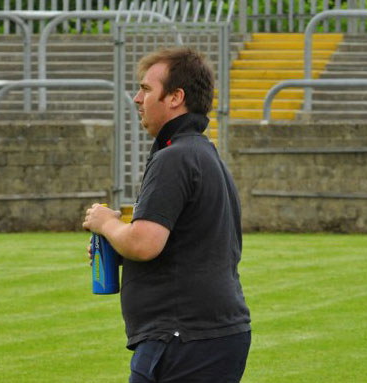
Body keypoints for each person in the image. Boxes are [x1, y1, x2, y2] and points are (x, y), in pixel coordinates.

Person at [83, 47, 251, 383]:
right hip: (210, 334)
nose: (136, 99)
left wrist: (107, 223)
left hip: (181, 337)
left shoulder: (174, 158)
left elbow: (145, 244)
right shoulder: (203, 153)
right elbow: (189, 247)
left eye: (146, 89)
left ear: (175, 97)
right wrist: (118, 247)